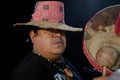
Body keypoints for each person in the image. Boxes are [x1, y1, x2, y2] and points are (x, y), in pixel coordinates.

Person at [10, 1, 109, 80]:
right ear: (33, 36)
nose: (57, 34)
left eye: (60, 30)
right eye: (49, 30)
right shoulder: (27, 73)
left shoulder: (65, 61)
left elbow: (93, 75)